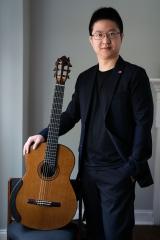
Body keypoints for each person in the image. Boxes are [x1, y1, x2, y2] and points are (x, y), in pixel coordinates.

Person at [23, 7, 154, 240]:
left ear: (121, 37)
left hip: (119, 170)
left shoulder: (135, 76)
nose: (106, 40)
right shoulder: (84, 79)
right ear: (91, 40)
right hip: (88, 171)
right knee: (94, 232)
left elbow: (144, 125)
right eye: (99, 34)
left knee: (116, 234)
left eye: (112, 33)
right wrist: (42, 135)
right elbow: (70, 115)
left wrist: (130, 170)